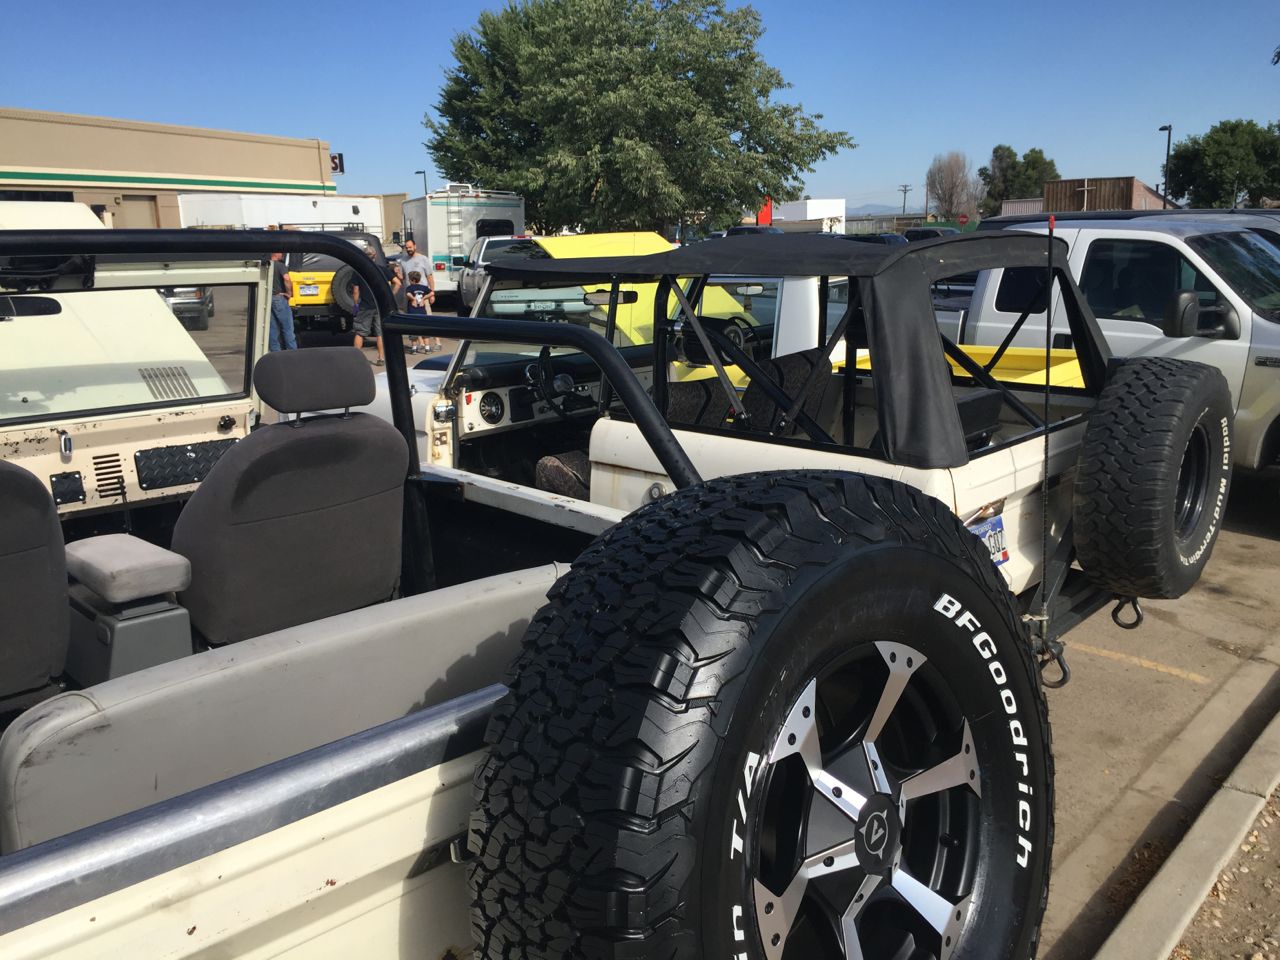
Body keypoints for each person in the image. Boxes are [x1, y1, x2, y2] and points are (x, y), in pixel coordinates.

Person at [352, 246, 397, 365]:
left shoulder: (358, 271)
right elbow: (397, 283)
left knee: (360, 332)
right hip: (380, 305)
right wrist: (389, 296)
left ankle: (357, 359)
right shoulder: (382, 269)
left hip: (365, 306)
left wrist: (356, 305)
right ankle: (381, 358)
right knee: (380, 333)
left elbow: (356, 291)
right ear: (375, 256)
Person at [399, 238, 440, 353]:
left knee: (428, 319)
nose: (408, 249)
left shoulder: (423, 259)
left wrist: (432, 293)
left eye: (410, 247)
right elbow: (403, 278)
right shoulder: (403, 260)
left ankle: (437, 341)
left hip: (423, 295)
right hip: (409, 297)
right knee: (412, 321)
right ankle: (420, 344)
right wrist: (396, 273)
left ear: (415, 246)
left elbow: (430, 277)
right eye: (406, 247)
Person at [268, 252, 297, 351]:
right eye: (281, 252)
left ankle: (275, 354)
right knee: (288, 328)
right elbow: (286, 278)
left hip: (268, 299)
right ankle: (292, 354)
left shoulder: (266, 265)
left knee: (273, 330)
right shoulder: (280, 265)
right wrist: (289, 293)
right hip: (279, 298)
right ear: (276, 254)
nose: (283, 254)